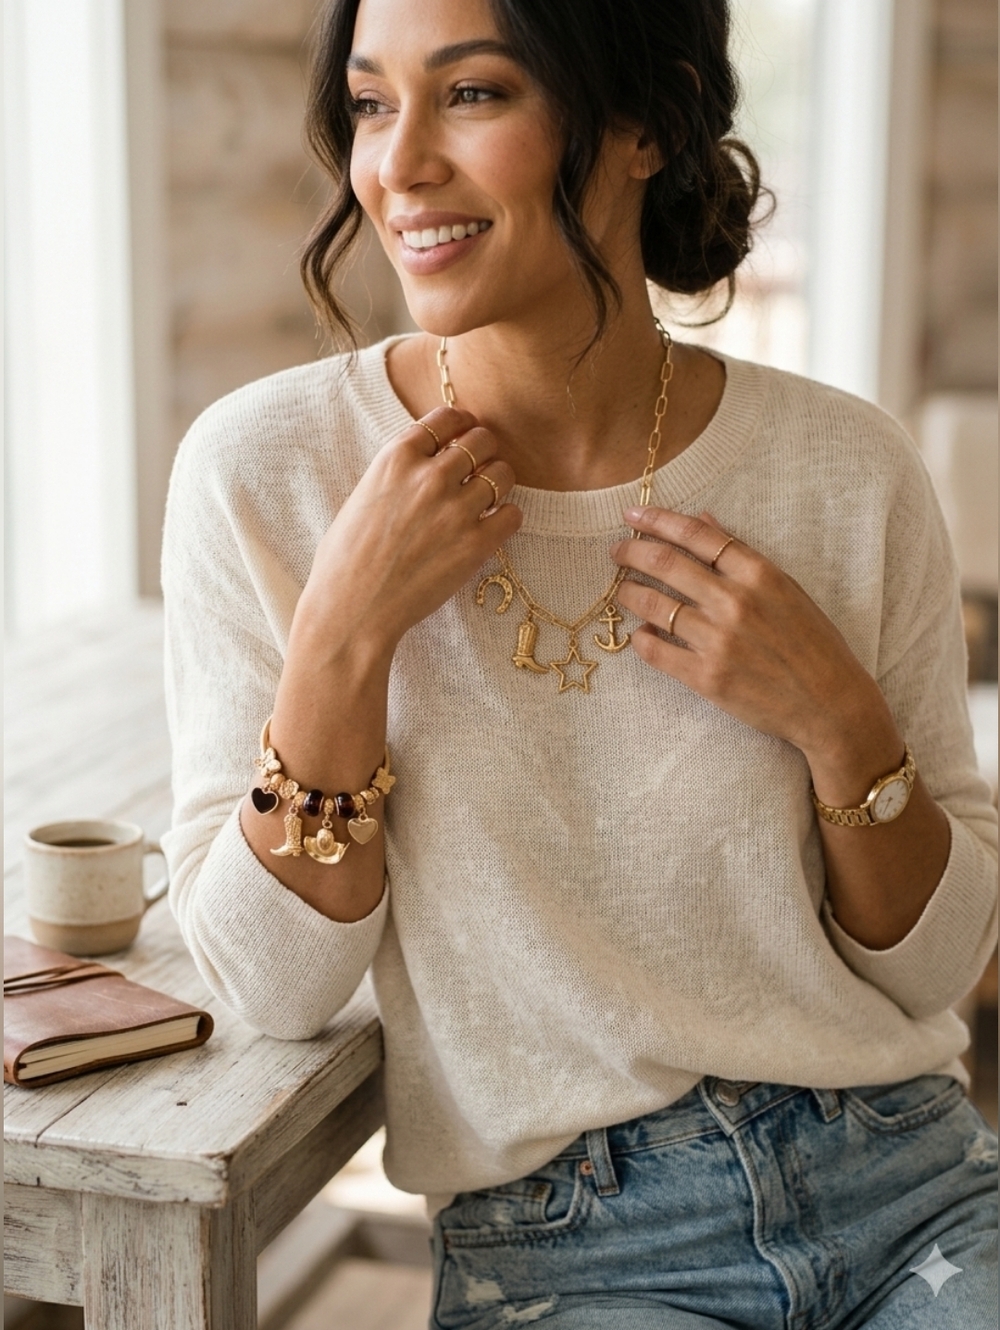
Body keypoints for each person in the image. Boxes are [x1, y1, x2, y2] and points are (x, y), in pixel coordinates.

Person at [161, 0, 999, 1325]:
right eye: (374, 104)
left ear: (643, 123)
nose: (401, 164)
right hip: (571, 1246)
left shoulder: (848, 469)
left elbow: (940, 965)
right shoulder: (267, 473)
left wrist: (839, 719)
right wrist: (340, 642)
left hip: (911, 1184)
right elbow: (274, 988)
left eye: (474, 94)